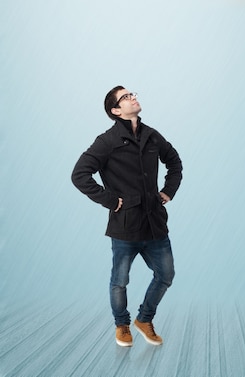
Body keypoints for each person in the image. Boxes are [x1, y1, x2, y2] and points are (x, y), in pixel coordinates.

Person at [71, 86, 182, 348]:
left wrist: (168, 191)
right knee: (120, 281)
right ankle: (122, 325)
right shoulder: (107, 142)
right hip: (125, 227)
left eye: (132, 93)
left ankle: (144, 320)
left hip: (155, 224)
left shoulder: (152, 136)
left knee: (166, 275)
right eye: (126, 97)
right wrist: (110, 200)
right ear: (116, 110)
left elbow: (174, 162)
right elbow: (80, 175)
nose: (133, 97)